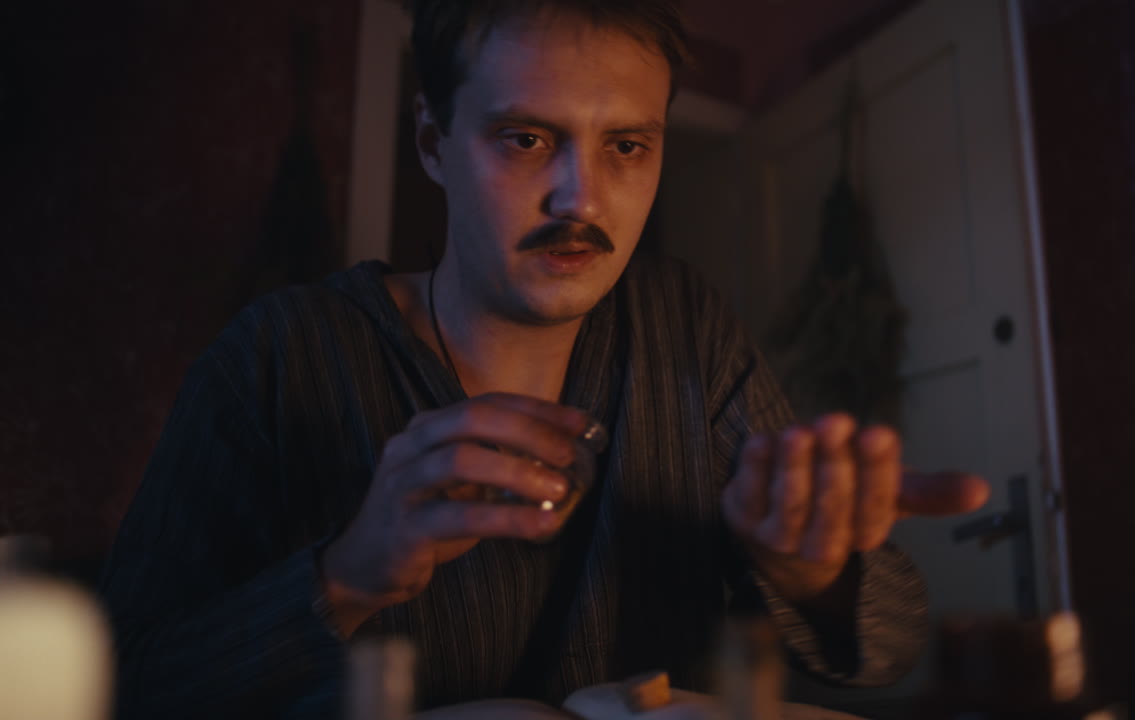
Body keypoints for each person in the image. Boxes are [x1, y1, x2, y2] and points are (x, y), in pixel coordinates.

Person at [99, 1, 990, 718]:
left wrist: (815, 573)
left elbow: (893, 641)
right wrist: (347, 574)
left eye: (628, 146)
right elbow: (121, 684)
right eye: (526, 138)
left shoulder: (686, 327)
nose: (582, 196)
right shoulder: (277, 356)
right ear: (430, 142)